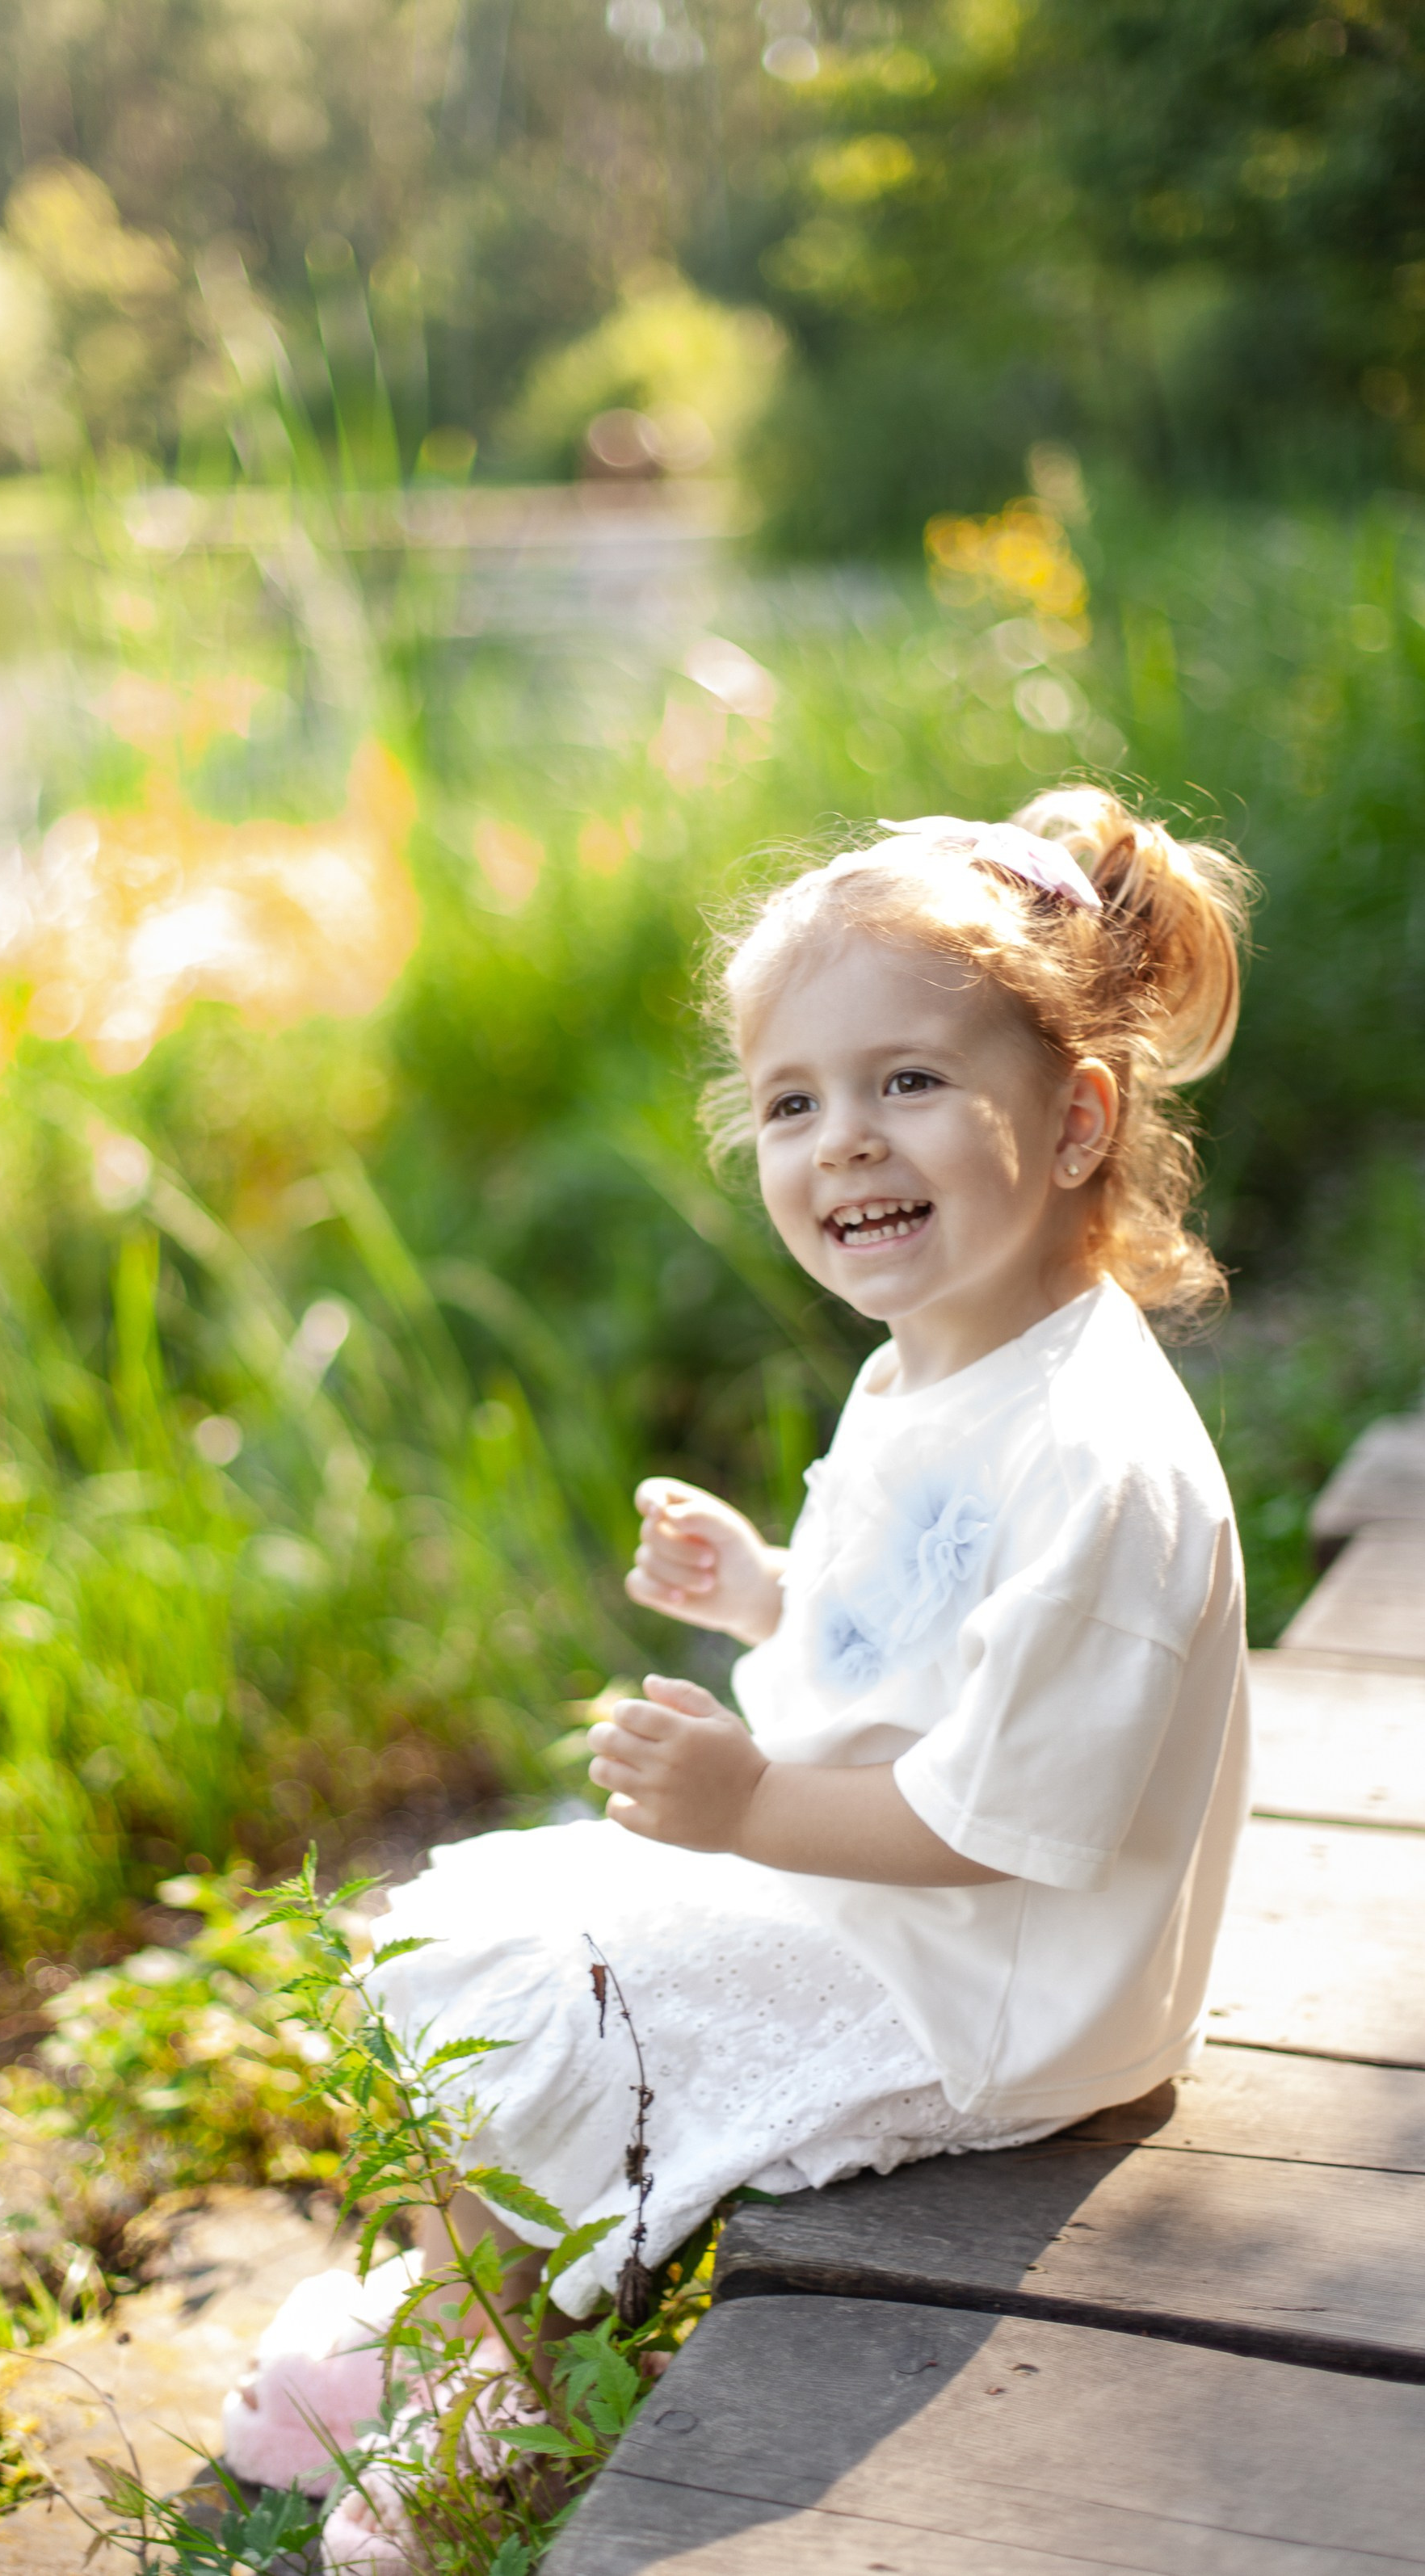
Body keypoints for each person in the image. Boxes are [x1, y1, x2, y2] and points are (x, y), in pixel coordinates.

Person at [225, 786, 1253, 2508]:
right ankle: (446, 2310)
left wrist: (744, 1800)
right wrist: (768, 1591)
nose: (841, 1137)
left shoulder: (1099, 1461)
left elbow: (991, 1818)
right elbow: (919, 1639)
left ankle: (506, 2414)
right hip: (892, 1894)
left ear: (1074, 1120)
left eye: (906, 1081)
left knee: (553, 1994)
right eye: (794, 1100)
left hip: (997, 1982)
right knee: (452, 1933)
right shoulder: (934, 1354)